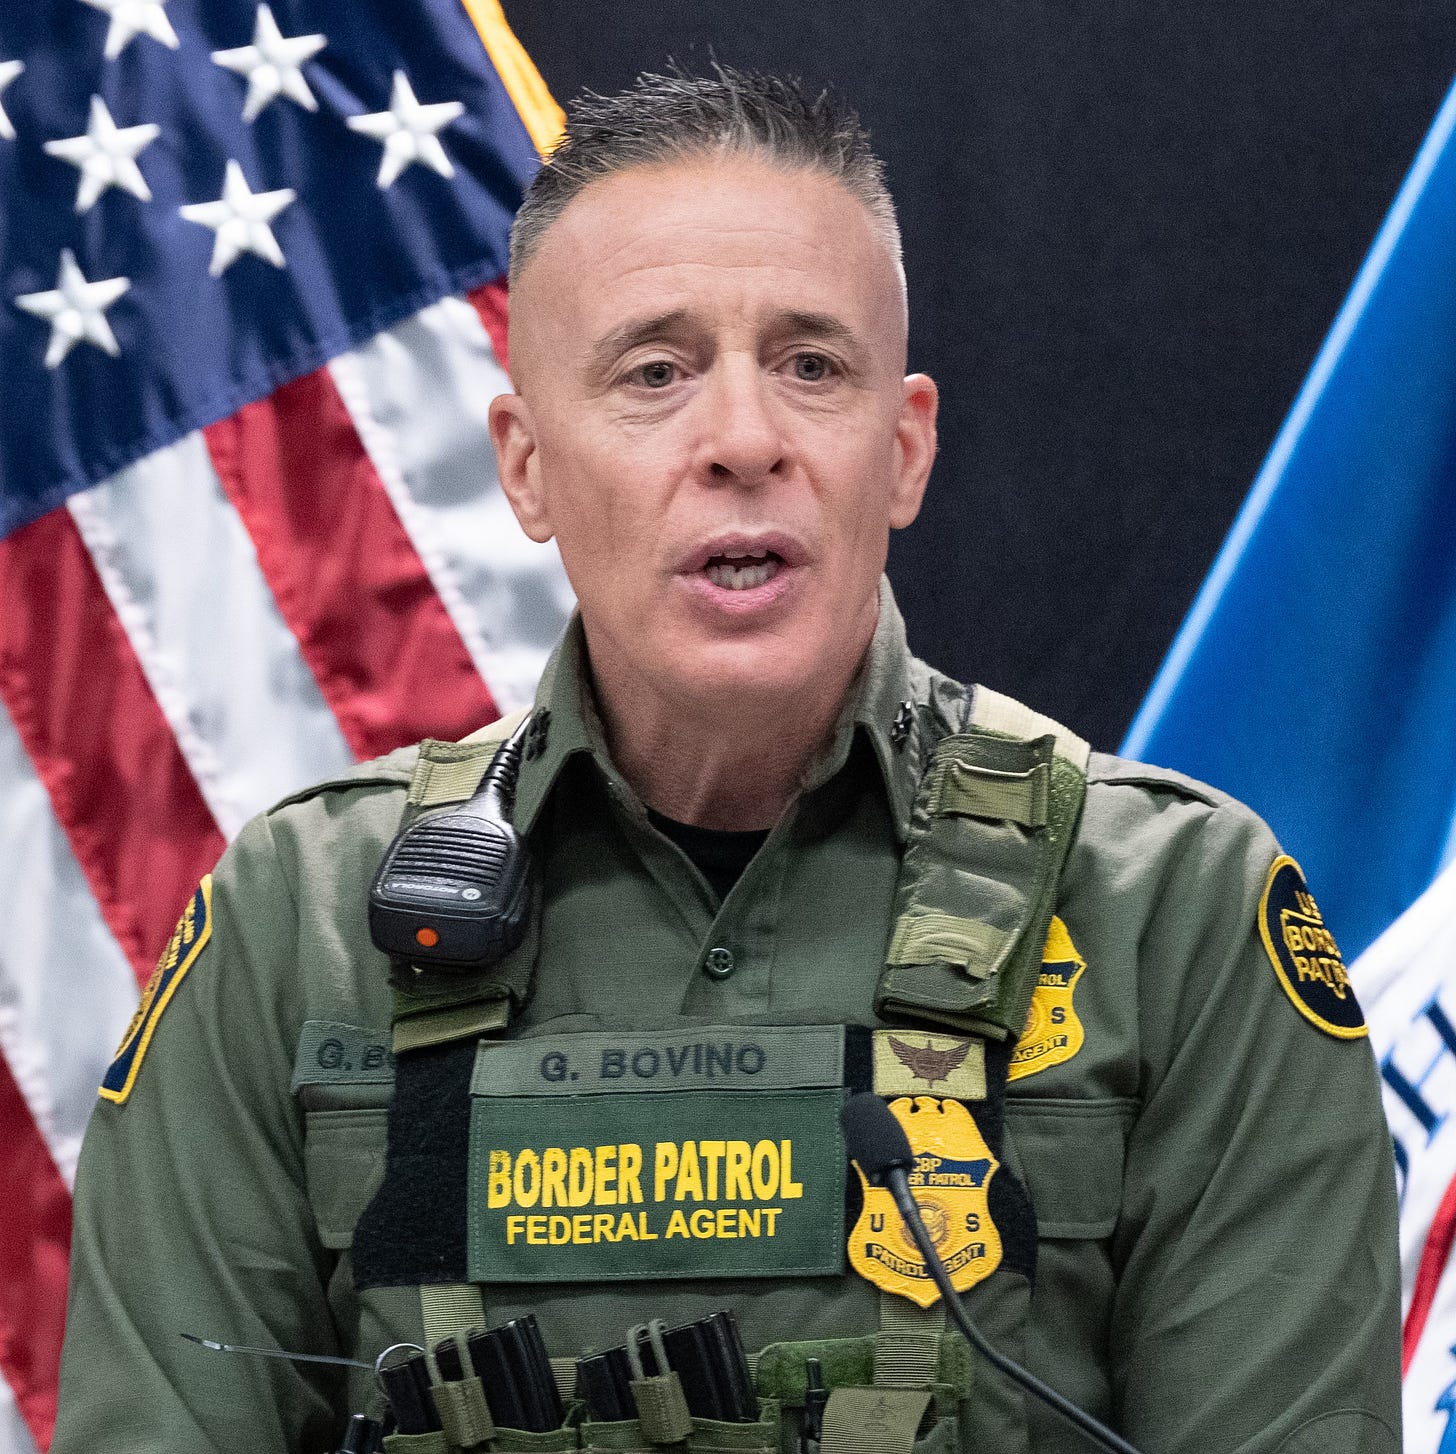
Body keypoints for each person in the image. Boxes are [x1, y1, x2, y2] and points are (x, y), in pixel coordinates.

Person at [52, 68, 1400, 1454]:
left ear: (905, 449)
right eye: (655, 372)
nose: (745, 441)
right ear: (524, 465)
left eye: (812, 367)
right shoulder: (305, 921)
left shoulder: (1169, 913)